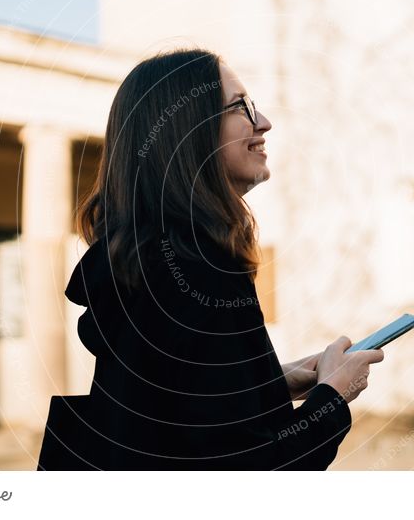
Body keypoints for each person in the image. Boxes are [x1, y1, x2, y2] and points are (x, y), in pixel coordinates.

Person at [54, 48, 384, 470]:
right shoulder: (197, 270)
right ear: (187, 132)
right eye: (239, 108)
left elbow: (180, 419)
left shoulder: (143, 263)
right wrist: (333, 396)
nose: (263, 122)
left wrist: (274, 381)